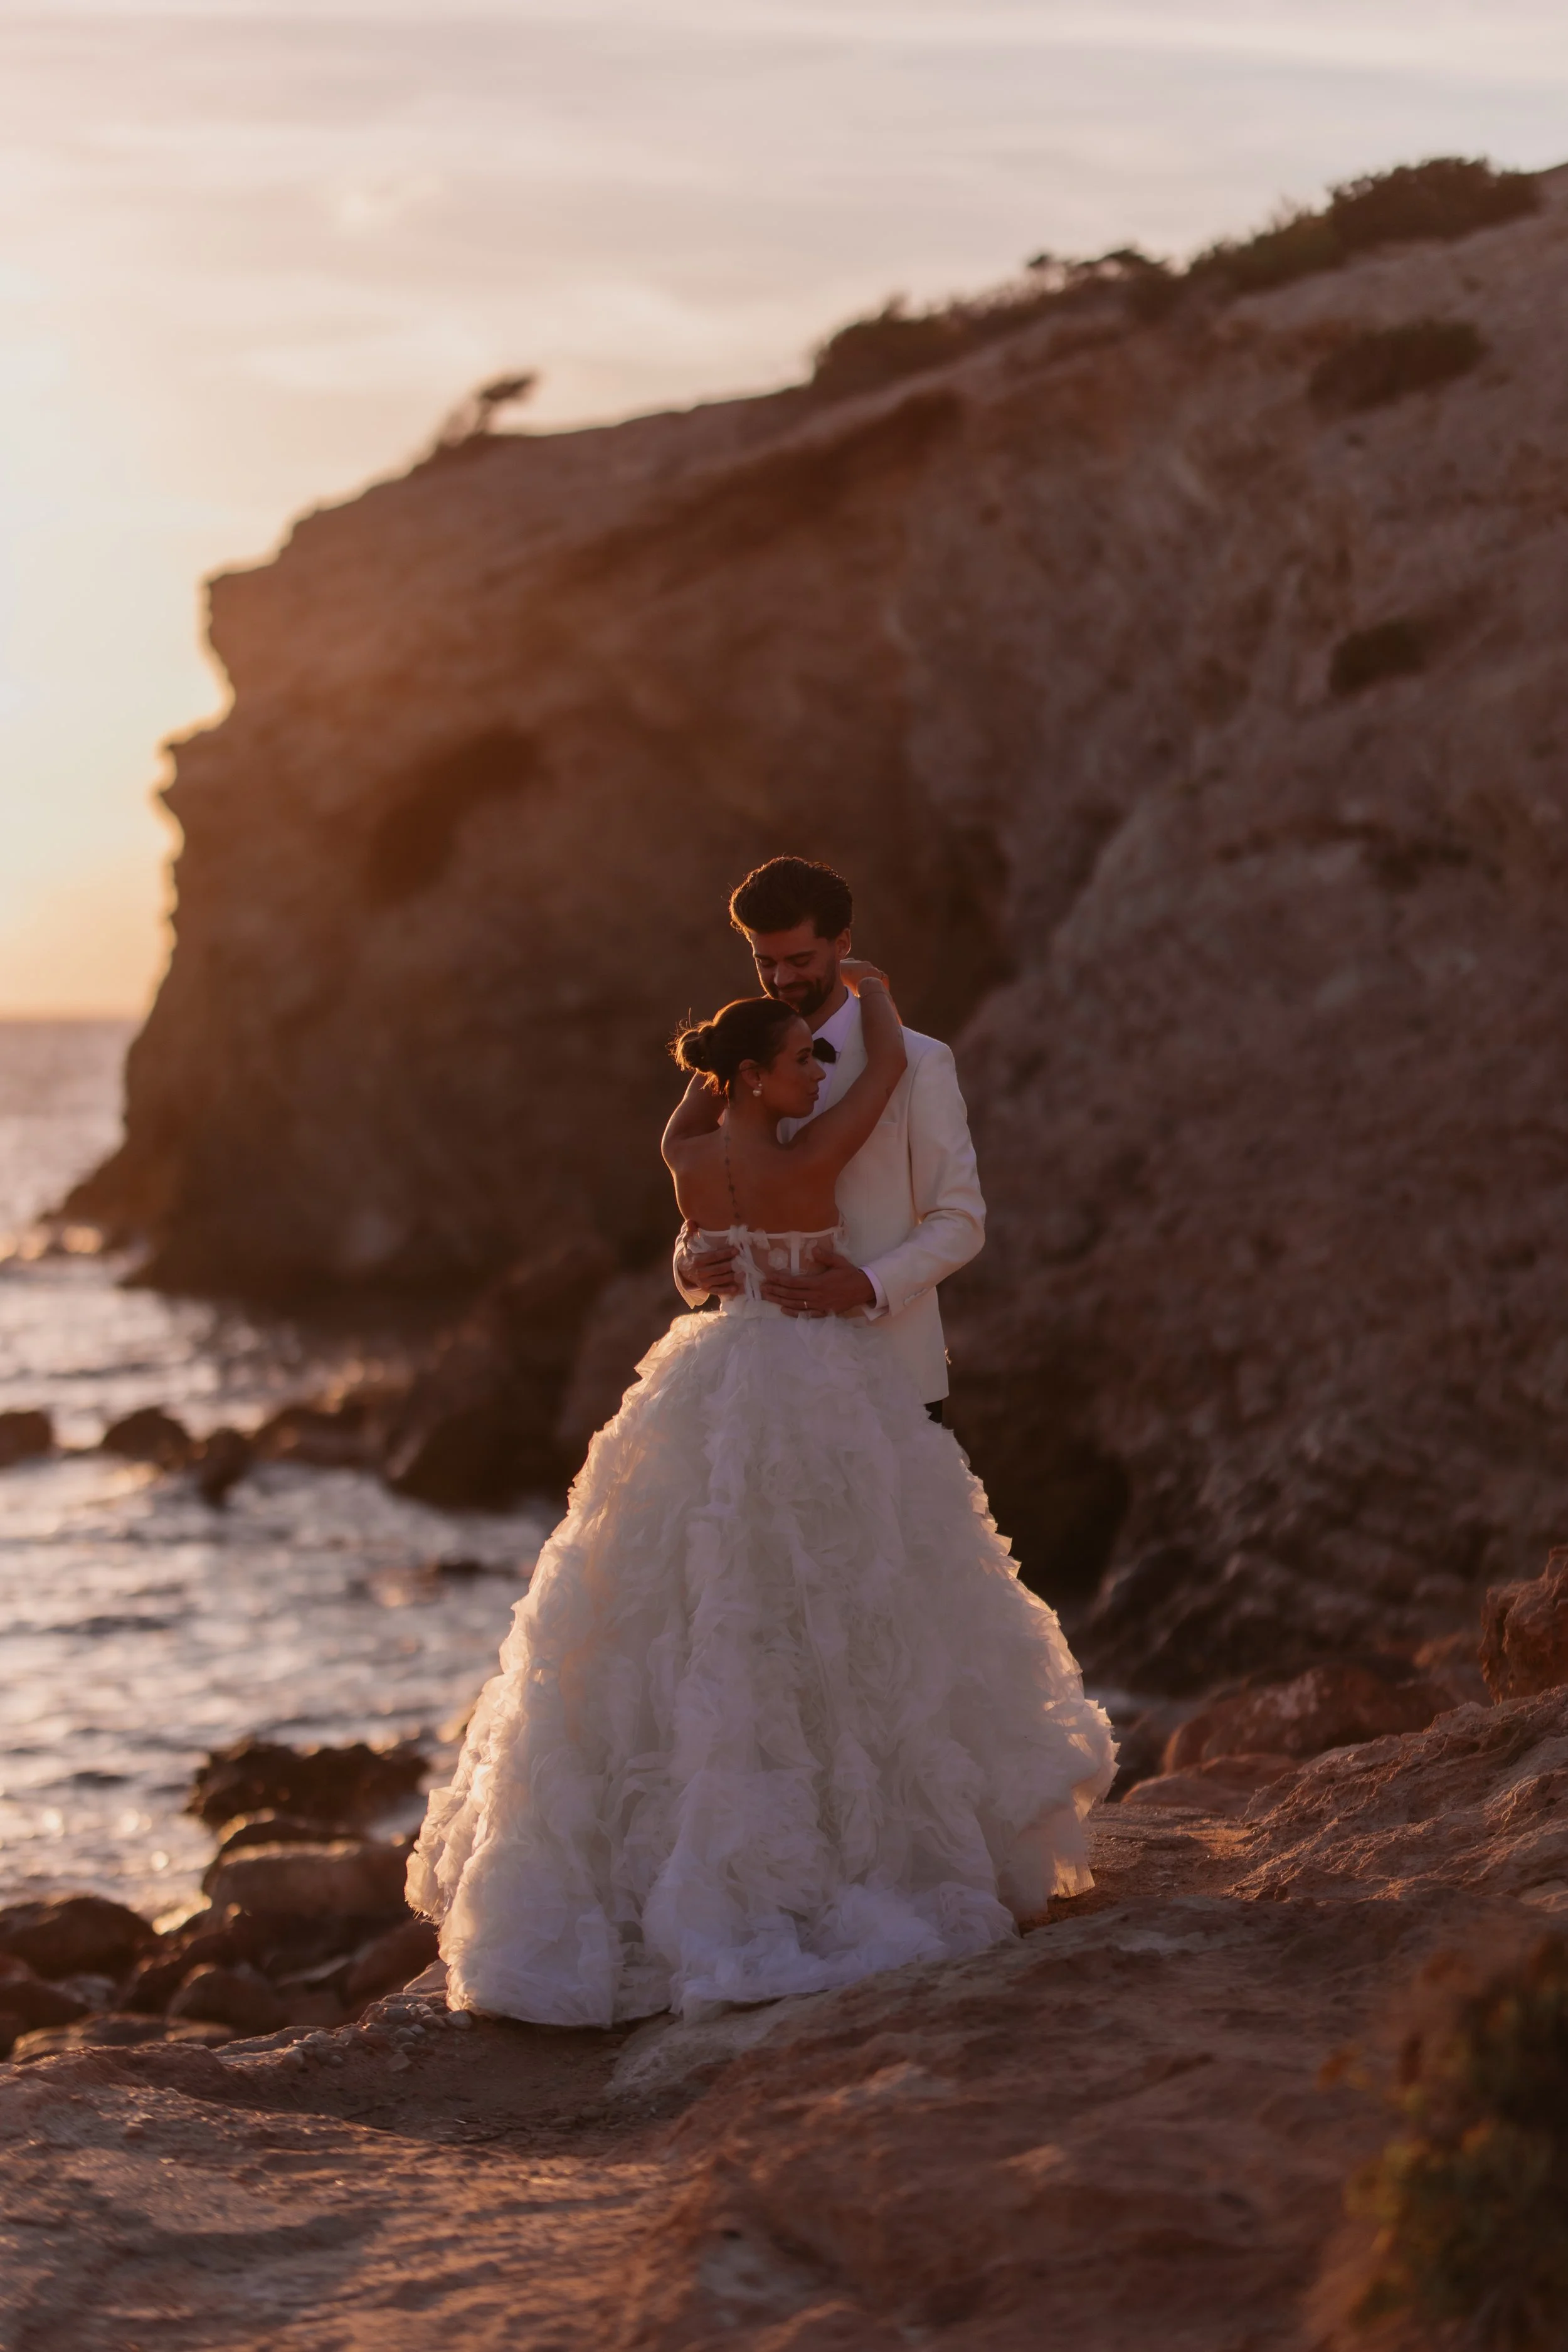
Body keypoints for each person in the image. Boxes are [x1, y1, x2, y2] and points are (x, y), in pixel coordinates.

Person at [406, 947, 1116, 2029]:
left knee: (695, 1594)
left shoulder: (690, 1151)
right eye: (793, 1065)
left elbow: (678, 1133)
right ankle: (842, 1857)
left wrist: (723, 1089)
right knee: (834, 1584)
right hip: (814, 1370)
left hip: (716, 1362)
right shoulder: (809, 1151)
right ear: (753, 1078)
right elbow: (877, 1081)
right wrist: (875, 996)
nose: (813, 1078)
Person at [675, 857, 984, 1422]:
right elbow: (710, 1182)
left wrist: (868, 1285)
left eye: (799, 960)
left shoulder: (919, 1062)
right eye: (764, 962)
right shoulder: (730, 1059)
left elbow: (960, 1219)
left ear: (842, 942)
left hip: (889, 1376)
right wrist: (691, 1266)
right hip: (753, 1388)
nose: (782, 980)